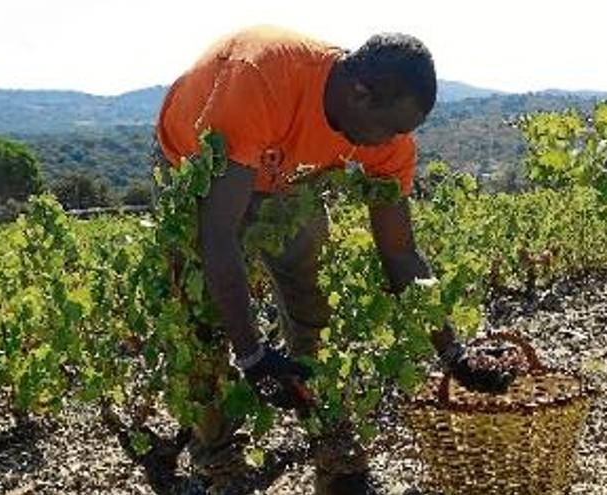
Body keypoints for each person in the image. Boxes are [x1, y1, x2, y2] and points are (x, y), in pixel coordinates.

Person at [155, 25, 512, 495]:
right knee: (201, 328)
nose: (393, 141)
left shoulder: (388, 137)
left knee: (315, 308)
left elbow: (399, 252)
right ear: (360, 93)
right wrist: (254, 356)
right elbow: (217, 235)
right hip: (197, 169)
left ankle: (337, 461)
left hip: (284, 181)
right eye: (391, 127)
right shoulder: (262, 77)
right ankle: (221, 467)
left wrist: (452, 352)